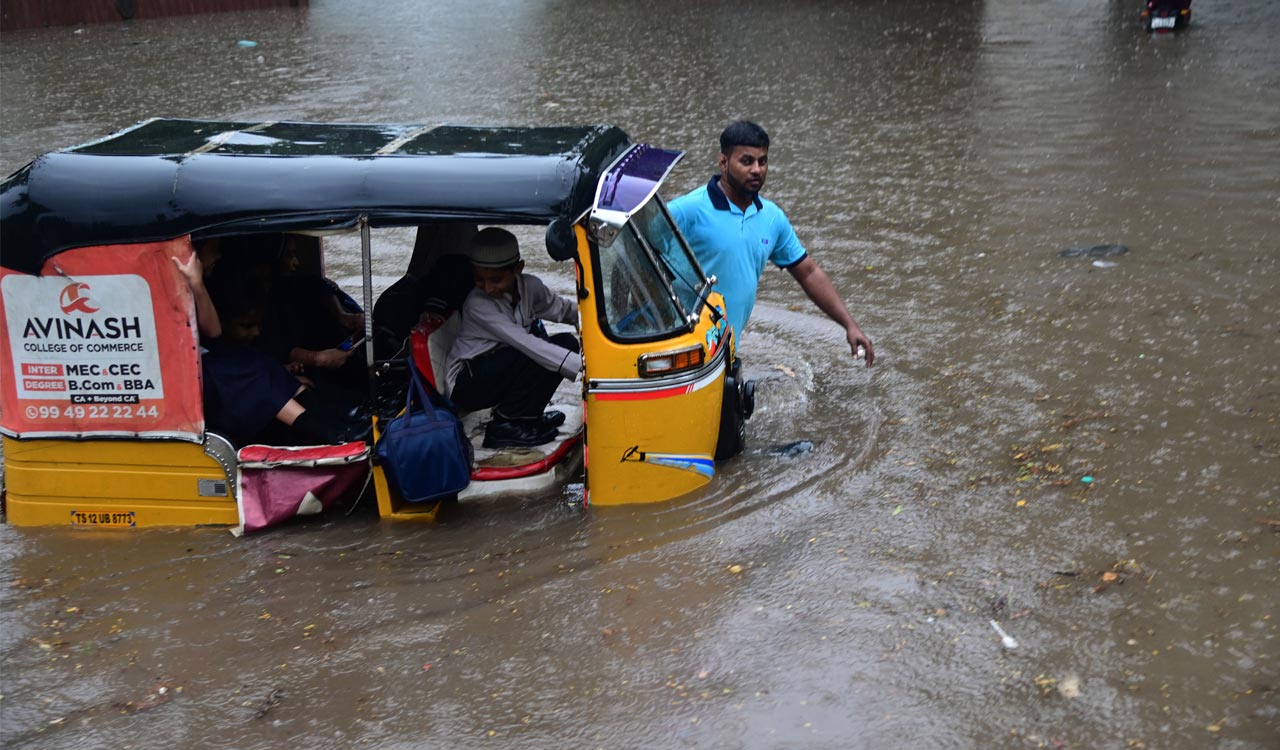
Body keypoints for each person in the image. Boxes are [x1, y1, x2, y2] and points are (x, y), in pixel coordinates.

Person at [667, 120, 875, 365]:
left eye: (762, 161)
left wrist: (849, 325)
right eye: (747, 161)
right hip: (678, 347)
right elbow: (636, 252)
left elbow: (808, 272)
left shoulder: (772, 218)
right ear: (723, 162)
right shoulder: (688, 210)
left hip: (724, 350)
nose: (756, 169)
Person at [174, 240, 366, 446]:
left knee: (260, 363)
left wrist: (198, 284)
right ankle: (333, 434)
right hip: (190, 371)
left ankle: (341, 422)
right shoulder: (181, 283)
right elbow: (214, 331)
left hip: (212, 360)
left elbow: (215, 331)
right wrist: (196, 283)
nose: (218, 257)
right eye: (213, 252)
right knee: (253, 371)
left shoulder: (205, 283)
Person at [443, 228, 581, 449]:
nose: (488, 288)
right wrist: (583, 367)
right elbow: (525, 343)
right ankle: (506, 425)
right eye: (479, 280)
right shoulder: (477, 304)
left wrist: (601, 321)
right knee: (536, 352)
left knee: (567, 343)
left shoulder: (530, 287)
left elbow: (563, 310)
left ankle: (529, 417)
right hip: (466, 382)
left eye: (495, 280)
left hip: (501, 365)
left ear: (518, 269)